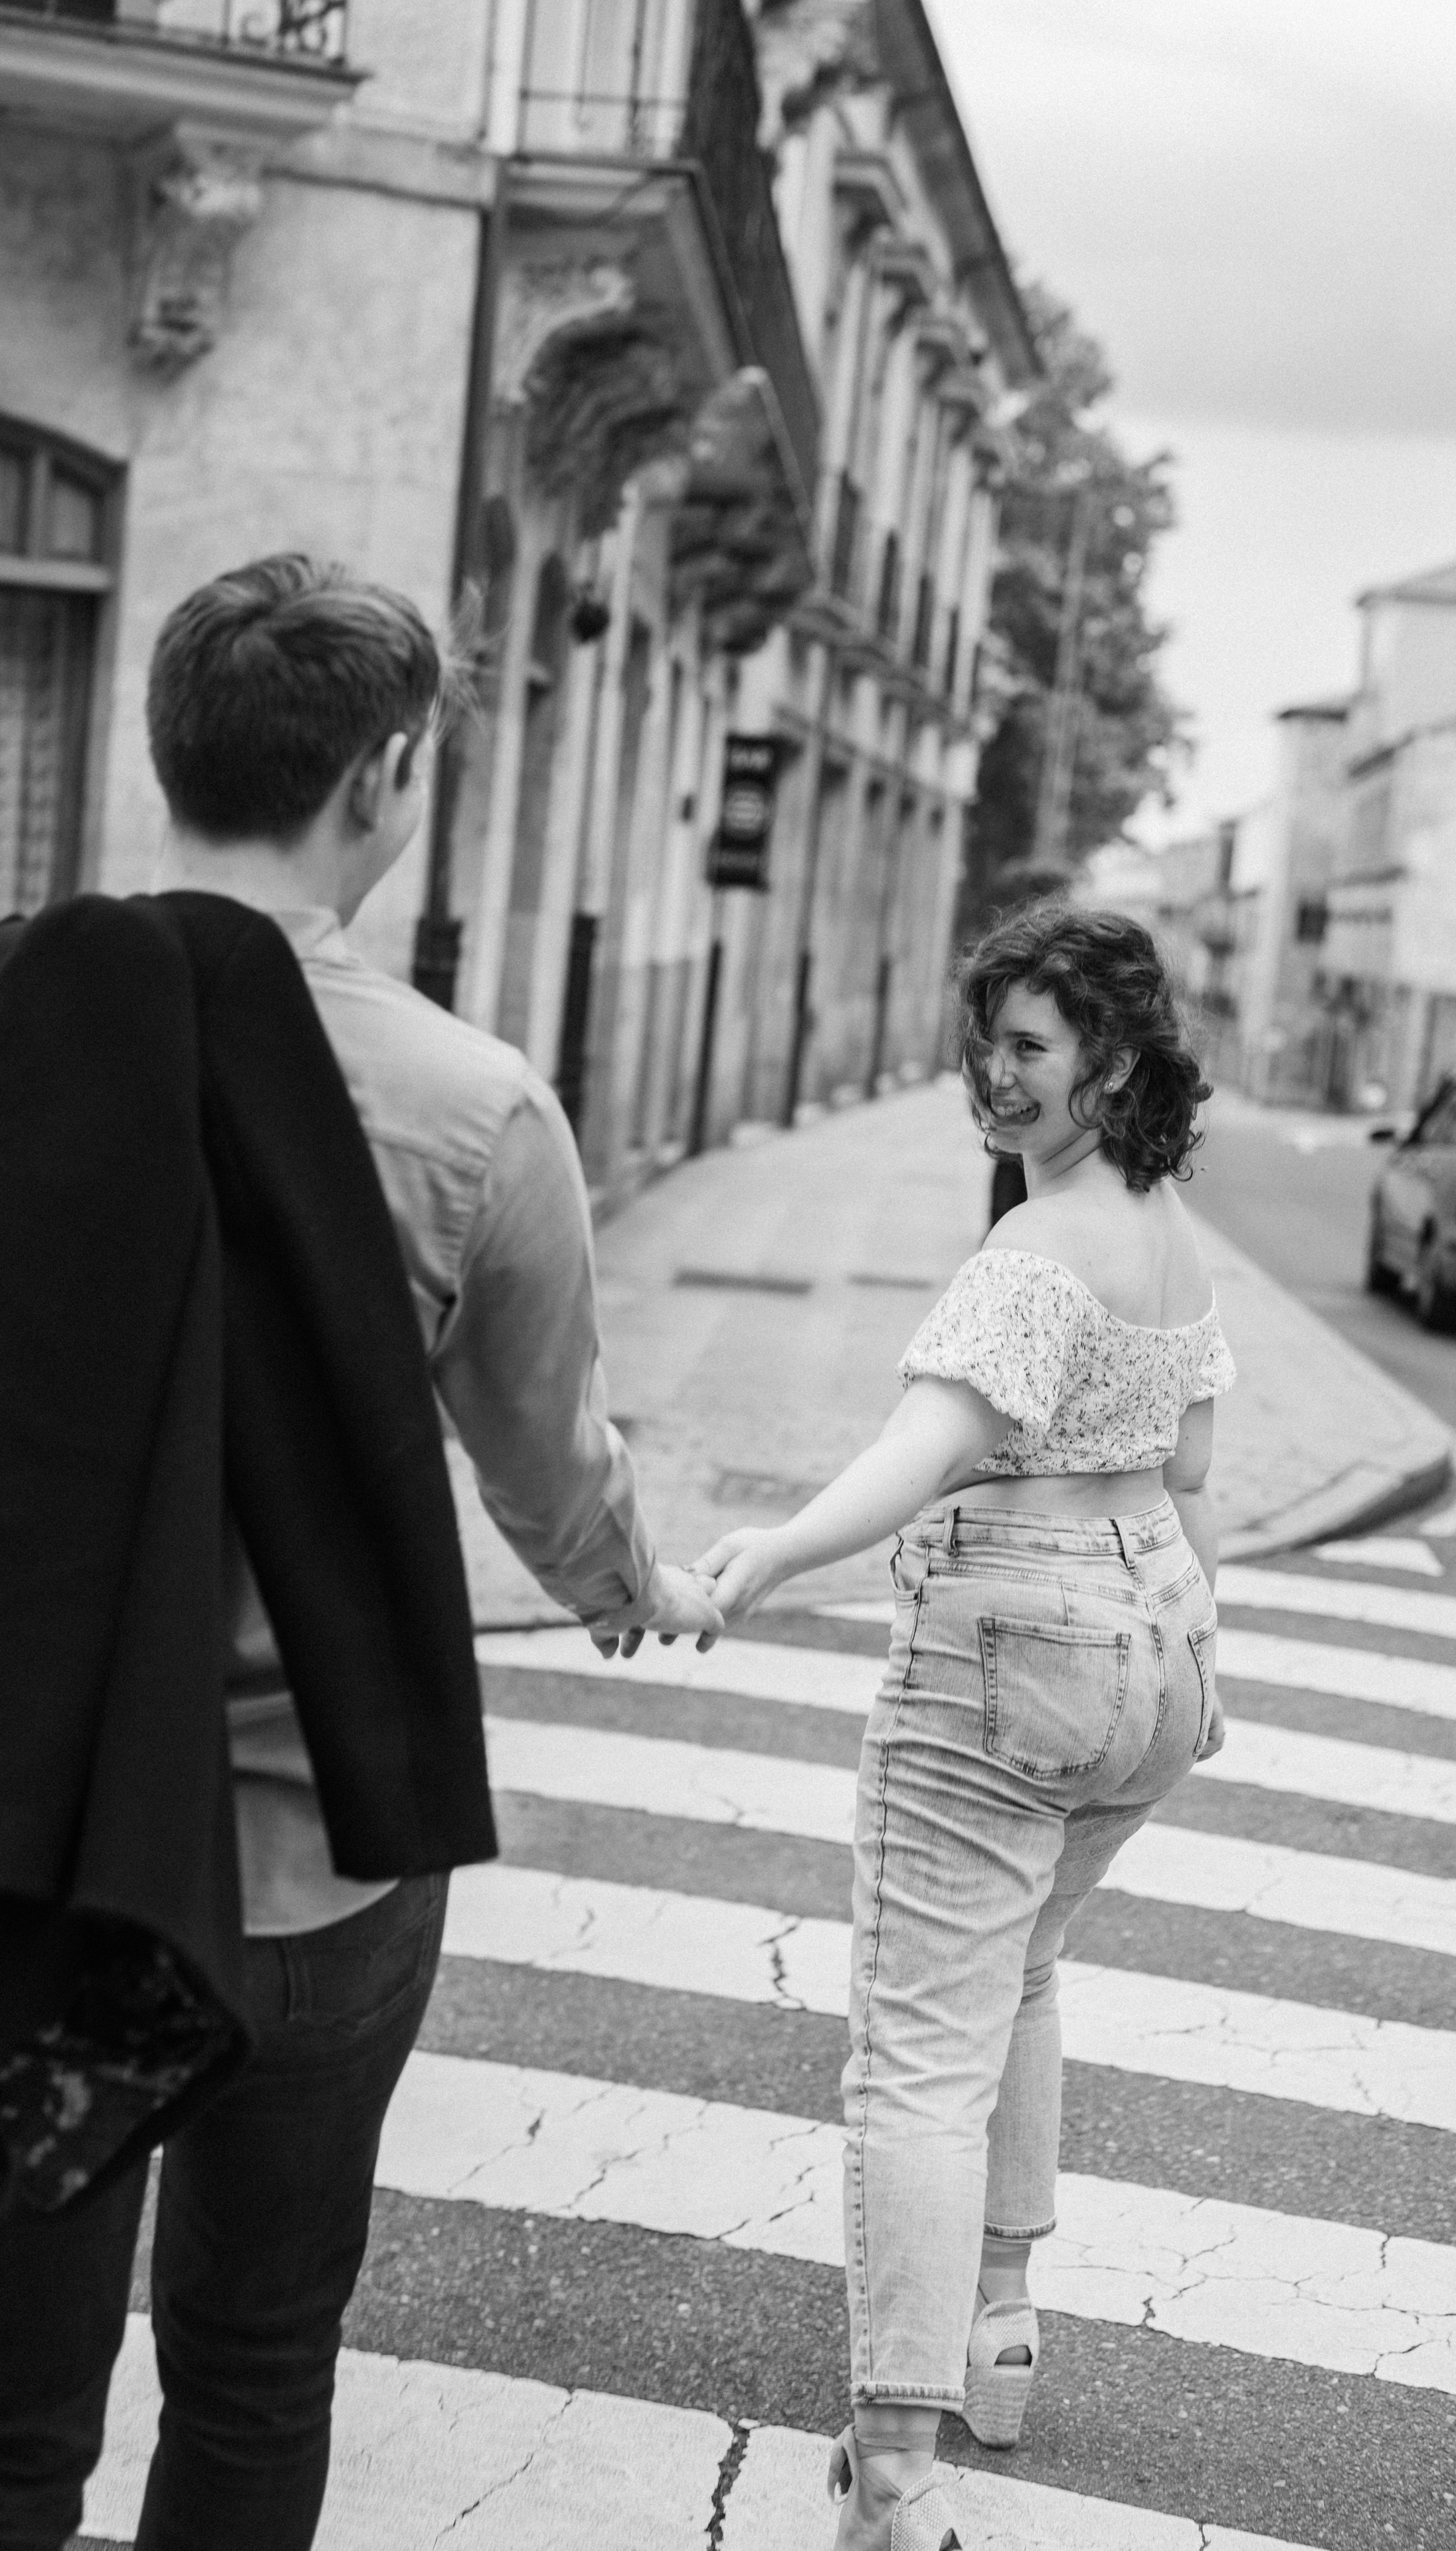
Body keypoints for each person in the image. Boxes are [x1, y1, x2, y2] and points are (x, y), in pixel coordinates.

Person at [0, 555, 720, 2551]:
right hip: (305, 1863)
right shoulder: (474, 1110)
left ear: (164, 740)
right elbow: (545, 1459)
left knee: (5, 2410)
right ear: (388, 776)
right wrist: (629, 1585)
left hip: (36, 1843)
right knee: (252, 2366)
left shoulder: (16, 1016)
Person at [695, 903, 1234, 2551]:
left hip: (1011, 1646)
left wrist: (771, 1553)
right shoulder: (1164, 1229)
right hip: (1149, 1639)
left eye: (1028, 1049)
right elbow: (1192, 1471)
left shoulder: (1033, 1251)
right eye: (981, 1042)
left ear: (1112, 1066)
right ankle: (998, 2325)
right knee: (1024, 1975)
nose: (990, 1077)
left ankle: (896, 2476)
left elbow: (924, 1446)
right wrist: (1191, 1652)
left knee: (917, 2061)